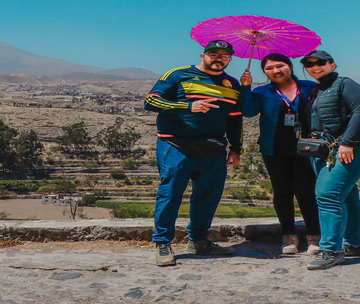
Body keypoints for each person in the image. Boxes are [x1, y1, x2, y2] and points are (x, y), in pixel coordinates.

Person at [145, 40, 242, 267]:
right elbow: (150, 101)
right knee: (170, 194)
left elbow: (235, 119)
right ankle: (162, 243)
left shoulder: (232, 83)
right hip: (176, 145)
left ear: (230, 60)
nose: (218, 58)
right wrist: (187, 106)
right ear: (203, 55)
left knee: (208, 197)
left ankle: (199, 241)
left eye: (224, 56)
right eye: (213, 53)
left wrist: (236, 147)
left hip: (213, 148)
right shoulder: (178, 75)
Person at [240, 54, 320, 255]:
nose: (275, 70)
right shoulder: (262, 92)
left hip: (306, 148)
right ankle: (288, 236)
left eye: (280, 65)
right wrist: (245, 87)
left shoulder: (309, 87)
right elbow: (248, 111)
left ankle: (314, 236)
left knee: (307, 192)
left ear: (290, 66)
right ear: (265, 72)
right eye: (269, 68)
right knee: (282, 191)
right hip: (274, 149)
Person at [300, 50, 360, 269]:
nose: (315, 66)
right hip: (321, 151)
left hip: (344, 149)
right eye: (309, 64)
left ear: (332, 64)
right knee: (348, 196)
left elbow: (359, 110)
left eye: (320, 62)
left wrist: (348, 143)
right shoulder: (317, 89)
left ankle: (331, 250)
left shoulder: (345, 83)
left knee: (327, 195)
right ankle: (354, 242)